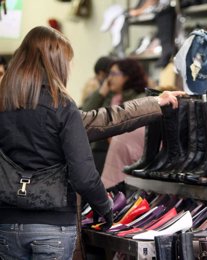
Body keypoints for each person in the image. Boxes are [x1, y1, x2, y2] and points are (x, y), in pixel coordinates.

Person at [0, 25, 184, 260]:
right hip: (52, 226)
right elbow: (84, 173)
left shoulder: (4, 104)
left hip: (6, 223)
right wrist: (104, 208)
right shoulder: (61, 107)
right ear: (54, 62)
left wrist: (154, 103)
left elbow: (101, 120)